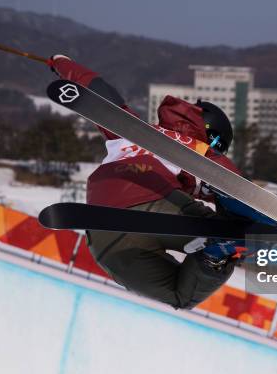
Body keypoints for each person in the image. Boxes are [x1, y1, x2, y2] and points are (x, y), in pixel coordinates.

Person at [49, 55, 242, 309]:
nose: (215, 150)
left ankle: (213, 252)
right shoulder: (198, 149)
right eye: (217, 145)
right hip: (151, 200)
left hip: (105, 236)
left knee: (179, 296)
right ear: (210, 134)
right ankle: (214, 255)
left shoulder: (131, 130)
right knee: (228, 238)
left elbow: (99, 93)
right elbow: (235, 187)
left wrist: (62, 64)